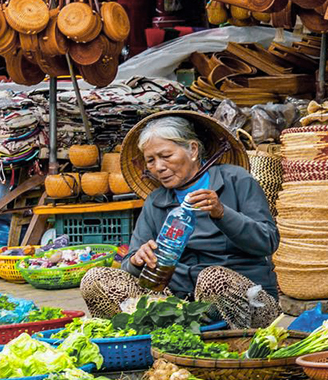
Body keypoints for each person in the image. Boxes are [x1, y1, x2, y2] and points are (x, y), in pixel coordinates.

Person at [80, 113, 280, 328]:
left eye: (166, 155)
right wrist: (137, 260)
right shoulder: (156, 201)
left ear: (193, 150)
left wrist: (222, 213)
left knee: (212, 278)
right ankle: (156, 338)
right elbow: (129, 264)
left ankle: (229, 342)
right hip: (179, 304)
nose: (158, 167)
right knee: (95, 278)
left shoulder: (236, 180)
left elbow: (267, 242)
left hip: (243, 298)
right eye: (150, 160)